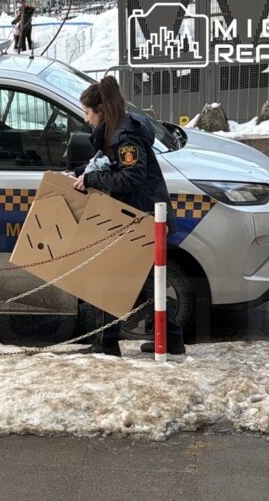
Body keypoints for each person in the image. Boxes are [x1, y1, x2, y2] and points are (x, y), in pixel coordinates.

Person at [71, 76, 185, 357]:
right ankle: (168, 341)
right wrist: (80, 176)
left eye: (87, 112)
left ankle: (107, 345)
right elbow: (113, 167)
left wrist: (93, 180)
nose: (85, 119)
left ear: (100, 110)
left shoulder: (125, 135)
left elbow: (131, 177)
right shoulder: (120, 129)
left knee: (120, 280)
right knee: (142, 283)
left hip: (143, 218)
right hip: (141, 216)